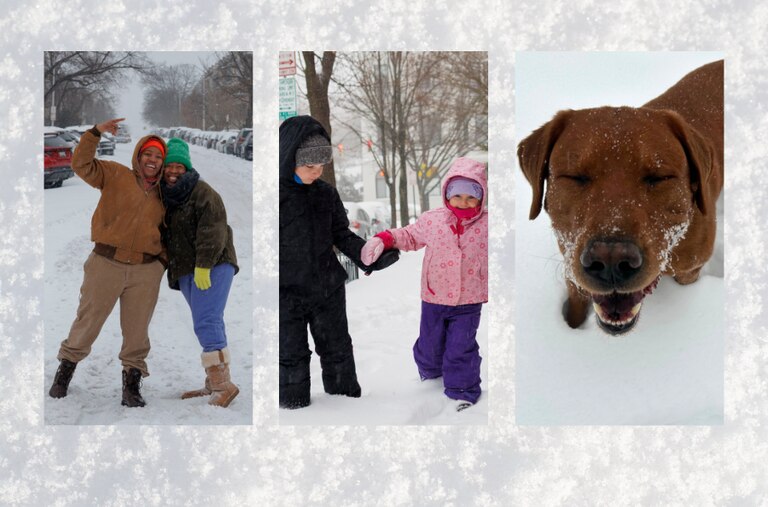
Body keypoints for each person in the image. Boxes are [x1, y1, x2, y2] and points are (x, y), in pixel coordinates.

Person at [279, 115, 398, 409]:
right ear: (288, 157)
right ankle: (295, 411)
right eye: (310, 166)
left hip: (326, 288)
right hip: (285, 293)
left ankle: (348, 408)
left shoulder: (325, 194)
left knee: (337, 349)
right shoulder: (274, 197)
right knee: (291, 355)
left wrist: (367, 256)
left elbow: (341, 235)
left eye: (321, 166)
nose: (316, 172)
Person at [49, 118, 167, 408]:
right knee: (87, 322)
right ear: (138, 156)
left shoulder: (168, 193)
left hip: (145, 270)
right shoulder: (115, 174)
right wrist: (95, 133)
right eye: (148, 154)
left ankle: (131, 384)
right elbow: (82, 164)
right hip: (106, 263)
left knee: (137, 332)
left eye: (158, 157)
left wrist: (161, 262)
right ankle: (65, 372)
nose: (152, 160)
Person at [361, 157, 488, 411]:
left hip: (469, 299)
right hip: (434, 296)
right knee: (430, 344)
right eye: (457, 196)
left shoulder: (488, 225)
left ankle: (462, 390)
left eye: (471, 197)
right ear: (447, 194)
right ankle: (430, 373)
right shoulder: (433, 220)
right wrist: (385, 239)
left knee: (461, 347)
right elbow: (409, 236)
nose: (463, 203)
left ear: (481, 197)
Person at [160, 138, 240, 407]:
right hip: (186, 270)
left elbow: (213, 231)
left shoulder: (203, 193)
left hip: (213, 265)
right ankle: (215, 382)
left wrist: (204, 265)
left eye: (178, 167)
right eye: (168, 166)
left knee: (206, 321)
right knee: (210, 321)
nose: (173, 171)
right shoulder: (167, 197)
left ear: (187, 168)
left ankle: (222, 386)